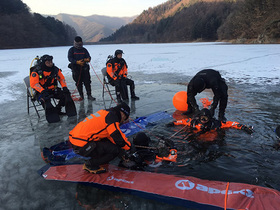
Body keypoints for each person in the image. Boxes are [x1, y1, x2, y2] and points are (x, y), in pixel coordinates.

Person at [69, 102, 132, 174]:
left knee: (109, 143)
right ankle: (90, 164)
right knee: (115, 150)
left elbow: (110, 135)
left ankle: (99, 158)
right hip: (81, 145)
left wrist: (122, 150)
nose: (122, 121)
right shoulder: (112, 117)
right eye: (124, 119)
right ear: (123, 114)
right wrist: (129, 147)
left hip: (76, 140)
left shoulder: (105, 112)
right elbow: (116, 135)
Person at [30, 54, 75, 122]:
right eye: (48, 62)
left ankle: (58, 109)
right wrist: (42, 91)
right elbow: (34, 84)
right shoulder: (37, 71)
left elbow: (61, 79)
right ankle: (51, 112)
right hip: (41, 92)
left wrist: (64, 87)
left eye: (51, 61)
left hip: (53, 89)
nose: (50, 63)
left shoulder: (55, 69)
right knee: (45, 100)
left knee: (65, 95)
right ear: (44, 63)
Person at [168, 108, 253, 136]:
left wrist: (243, 127)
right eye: (202, 118)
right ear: (199, 117)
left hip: (209, 140)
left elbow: (231, 124)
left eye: (206, 118)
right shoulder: (193, 122)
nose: (203, 120)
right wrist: (173, 123)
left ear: (210, 118)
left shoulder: (215, 124)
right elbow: (181, 122)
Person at [68, 36, 95, 101]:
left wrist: (87, 59)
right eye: (78, 43)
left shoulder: (84, 50)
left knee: (87, 82)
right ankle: (81, 96)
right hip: (76, 69)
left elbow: (88, 57)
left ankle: (89, 95)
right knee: (78, 83)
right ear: (75, 42)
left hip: (84, 69)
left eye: (81, 43)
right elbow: (70, 58)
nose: (80, 44)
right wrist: (76, 62)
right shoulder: (71, 50)